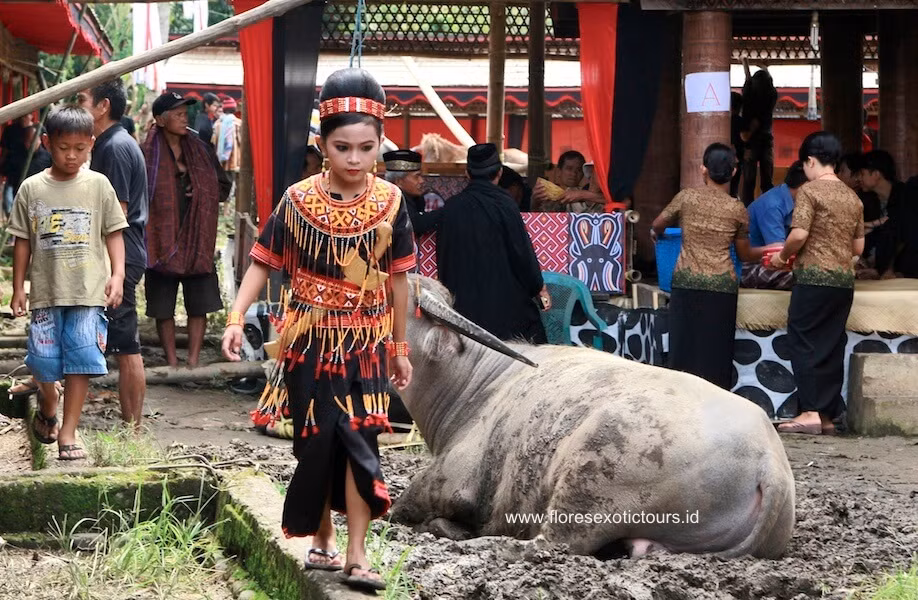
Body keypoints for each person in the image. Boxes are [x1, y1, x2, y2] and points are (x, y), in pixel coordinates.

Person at [221, 68, 415, 593]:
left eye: (367, 148)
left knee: (361, 441)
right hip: (308, 342)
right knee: (316, 443)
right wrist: (236, 317)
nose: (355, 159)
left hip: (368, 343)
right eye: (342, 148)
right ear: (323, 146)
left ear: (379, 144)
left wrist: (399, 347)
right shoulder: (297, 200)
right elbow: (263, 261)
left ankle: (357, 554)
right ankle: (323, 535)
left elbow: (399, 280)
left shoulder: (392, 203)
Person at [8, 106, 128, 460]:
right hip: (46, 292)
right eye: (63, 148)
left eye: (80, 148)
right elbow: (22, 241)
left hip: (88, 292)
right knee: (43, 361)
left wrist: (118, 274)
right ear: (47, 143)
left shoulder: (98, 185)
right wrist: (18, 287)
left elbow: (114, 233)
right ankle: (49, 400)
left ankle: (68, 433)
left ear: (91, 143)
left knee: (81, 361)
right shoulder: (32, 188)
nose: (72, 155)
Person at [769, 132, 864, 435]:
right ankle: (826, 416)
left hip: (812, 280)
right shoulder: (852, 197)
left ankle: (809, 412)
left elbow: (798, 234)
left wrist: (782, 256)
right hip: (842, 282)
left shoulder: (809, 191)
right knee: (831, 345)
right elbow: (858, 247)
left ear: (810, 161)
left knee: (803, 342)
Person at [651, 143, 763, 390]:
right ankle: (715, 399)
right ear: (733, 172)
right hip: (722, 289)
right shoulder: (737, 209)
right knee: (716, 351)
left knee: (684, 349)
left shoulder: (687, 197)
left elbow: (658, 224)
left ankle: (681, 399)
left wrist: (655, 233)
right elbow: (744, 254)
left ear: (703, 169)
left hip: (687, 282)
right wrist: (772, 249)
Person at [78, 79, 149, 426]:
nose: (79, 107)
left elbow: (115, 214)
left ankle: (133, 430)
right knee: (118, 341)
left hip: (120, 253)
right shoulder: (112, 142)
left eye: (83, 100)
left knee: (126, 345)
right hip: (120, 252)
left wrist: (112, 269)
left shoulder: (115, 147)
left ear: (103, 106)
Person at [142, 91, 231, 368]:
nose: (184, 119)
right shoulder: (146, 154)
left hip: (196, 239)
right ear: (160, 120)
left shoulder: (201, 149)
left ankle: (193, 362)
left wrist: (202, 190)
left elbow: (223, 187)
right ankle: (171, 362)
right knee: (163, 307)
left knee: (199, 304)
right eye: (178, 114)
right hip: (161, 240)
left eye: (185, 114)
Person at [437, 143, 550, 343]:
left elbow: (444, 261)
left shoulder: (452, 207)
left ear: (467, 174)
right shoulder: (505, 204)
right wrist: (537, 286)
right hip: (506, 315)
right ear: (499, 173)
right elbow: (522, 254)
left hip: (464, 315)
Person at [741, 161, 808, 289]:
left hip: (774, 261)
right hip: (751, 266)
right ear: (805, 186)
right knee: (803, 279)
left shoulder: (794, 201)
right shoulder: (773, 206)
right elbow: (779, 253)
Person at [858, 150, 913, 278]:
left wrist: (886, 269)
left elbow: (904, 237)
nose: (859, 178)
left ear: (876, 174)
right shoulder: (869, 201)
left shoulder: (905, 197)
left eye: (862, 173)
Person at [740, 69, 778, 205]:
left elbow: (746, 92)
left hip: (750, 141)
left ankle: (747, 208)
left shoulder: (749, 97)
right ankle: (768, 207)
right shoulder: (771, 96)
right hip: (766, 138)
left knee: (748, 181)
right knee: (767, 180)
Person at [383, 149, 441, 236]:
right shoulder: (389, 201)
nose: (421, 181)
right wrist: (447, 211)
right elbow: (415, 224)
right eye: (416, 177)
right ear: (399, 182)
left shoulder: (415, 199)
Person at [532, 150, 604, 212]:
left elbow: (609, 201)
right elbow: (542, 218)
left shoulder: (581, 193)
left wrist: (583, 195)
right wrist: (535, 202)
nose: (574, 174)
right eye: (569, 169)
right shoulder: (549, 195)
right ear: (559, 171)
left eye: (579, 170)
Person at [0, 113, 34, 217]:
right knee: (8, 201)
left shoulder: (37, 129)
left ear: (31, 116)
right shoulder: (10, 130)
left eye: (26, 115)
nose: (23, 118)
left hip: (30, 169)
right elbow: (5, 150)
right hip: (12, 169)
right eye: (22, 116)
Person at [730, 91, 744, 198]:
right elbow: (745, 138)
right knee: (733, 188)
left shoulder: (724, 121)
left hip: (727, 157)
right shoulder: (740, 122)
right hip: (737, 158)